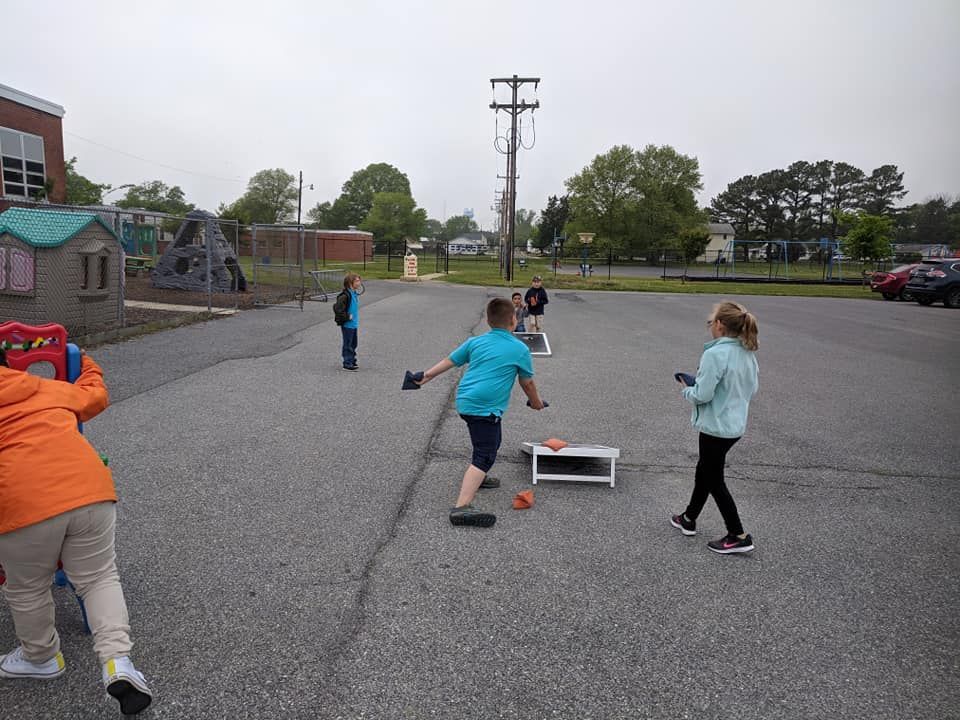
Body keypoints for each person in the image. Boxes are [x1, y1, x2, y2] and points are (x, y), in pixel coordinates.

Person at [0, 347, 152, 715]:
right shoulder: (41, 388)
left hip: (23, 502)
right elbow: (94, 395)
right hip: (89, 491)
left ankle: (41, 656)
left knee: (27, 586)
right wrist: (84, 362)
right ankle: (118, 662)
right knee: (99, 577)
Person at [416, 298, 545, 528]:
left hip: (466, 401)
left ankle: (480, 477)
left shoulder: (475, 342)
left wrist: (424, 377)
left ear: (488, 321)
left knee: (490, 442)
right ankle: (462, 507)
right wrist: (536, 403)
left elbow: (449, 361)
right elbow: (528, 384)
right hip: (484, 408)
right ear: (514, 321)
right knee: (486, 453)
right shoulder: (519, 348)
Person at [670, 301, 759, 555]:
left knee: (713, 478)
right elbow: (751, 389)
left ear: (719, 325)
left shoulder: (714, 354)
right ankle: (688, 518)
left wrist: (688, 388)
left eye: (711, 322)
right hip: (734, 426)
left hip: (715, 426)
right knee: (705, 470)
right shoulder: (747, 352)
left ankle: (738, 534)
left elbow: (703, 395)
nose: (710, 326)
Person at [333, 273, 362, 371]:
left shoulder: (353, 293)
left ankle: (352, 360)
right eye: (357, 281)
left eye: (359, 280)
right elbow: (337, 308)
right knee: (348, 344)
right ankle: (347, 363)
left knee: (354, 343)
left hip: (354, 324)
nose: (359, 283)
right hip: (347, 324)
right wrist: (347, 316)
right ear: (350, 283)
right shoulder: (345, 296)